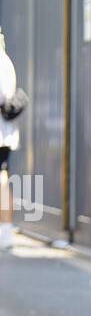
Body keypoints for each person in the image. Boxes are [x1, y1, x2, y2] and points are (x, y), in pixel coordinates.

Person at [0, 30, 26, 252]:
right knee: (2, 178)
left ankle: (6, 231)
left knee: (1, 180)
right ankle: (5, 231)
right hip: (5, 134)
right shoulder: (5, 60)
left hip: (1, 134)